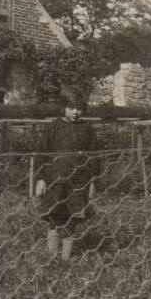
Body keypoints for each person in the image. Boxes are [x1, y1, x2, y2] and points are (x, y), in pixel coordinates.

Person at [36, 86, 99, 261]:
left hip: (78, 183)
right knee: (54, 219)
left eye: (79, 108)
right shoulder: (53, 128)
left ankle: (65, 258)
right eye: (71, 108)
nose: (76, 112)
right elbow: (42, 155)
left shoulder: (87, 129)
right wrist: (40, 179)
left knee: (71, 221)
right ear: (63, 107)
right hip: (55, 182)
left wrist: (92, 182)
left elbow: (94, 157)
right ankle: (52, 256)